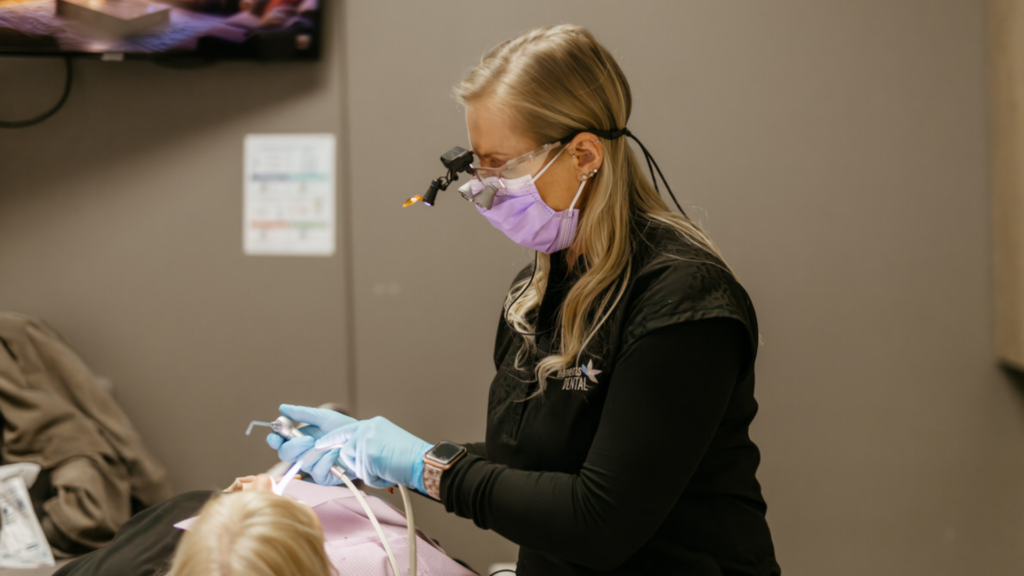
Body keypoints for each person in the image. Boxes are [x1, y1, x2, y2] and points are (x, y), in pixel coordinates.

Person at [273, 24, 781, 576]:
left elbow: (598, 522)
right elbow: (527, 464)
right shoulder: (537, 289)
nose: (483, 187)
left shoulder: (681, 303)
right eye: (477, 165)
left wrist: (423, 466)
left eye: (503, 165)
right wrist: (378, 455)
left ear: (584, 154)